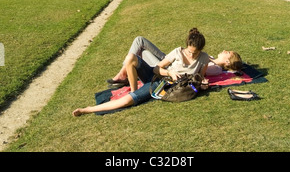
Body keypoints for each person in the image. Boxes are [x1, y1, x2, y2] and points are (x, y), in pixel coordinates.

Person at [72, 28, 210, 117]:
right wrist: (170, 73)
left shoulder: (204, 58)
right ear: (187, 46)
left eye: (195, 53)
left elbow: (200, 77)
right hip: (159, 76)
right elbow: (157, 68)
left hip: (162, 86)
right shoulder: (177, 52)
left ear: (201, 50)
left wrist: (203, 84)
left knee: (126, 101)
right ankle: (133, 89)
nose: (192, 55)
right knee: (131, 58)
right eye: (190, 52)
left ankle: (87, 109)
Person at [107, 36, 243, 86]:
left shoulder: (215, 67)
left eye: (228, 53)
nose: (225, 51)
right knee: (140, 43)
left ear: (228, 62)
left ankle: (123, 74)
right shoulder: (209, 57)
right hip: (170, 60)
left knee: (140, 47)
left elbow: (200, 73)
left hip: (171, 67)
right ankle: (125, 72)